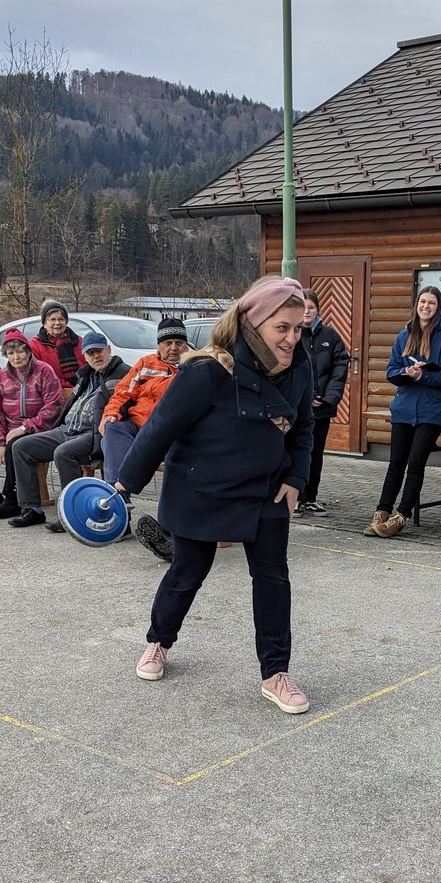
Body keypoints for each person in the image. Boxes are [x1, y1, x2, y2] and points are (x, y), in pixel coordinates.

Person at [116, 276, 314, 713]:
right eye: (282, 328)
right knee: (188, 571)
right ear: (254, 323)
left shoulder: (300, 366)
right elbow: (160, 429)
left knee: (273, 579)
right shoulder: (207, 370)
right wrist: (124, 484)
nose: (292, 338)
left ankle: (276, 673)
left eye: (298, 328)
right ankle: (158, 641)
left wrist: (296, 478)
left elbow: (304, 427)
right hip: (201, 487)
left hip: (266, 489)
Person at [5, 332, 130, 528]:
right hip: (67, 429)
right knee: (21, 447)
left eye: (99, 351)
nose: (96, 356)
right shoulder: (85, 375)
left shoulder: (123, 373)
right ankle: (32, 510)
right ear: (84, 356)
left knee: (63, 453)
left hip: (93, 434)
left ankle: (71, 515)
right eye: (90, 353)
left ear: (108, 350)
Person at [364, 286, 441, 539]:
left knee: (415, 463)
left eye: (431, 303)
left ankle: (401, 516)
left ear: (438, 308)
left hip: (432, 411)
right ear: (416, 304)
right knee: (396, 463)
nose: (426, 306)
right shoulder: (404, 334)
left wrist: (422, 376)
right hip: (404, 408)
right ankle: (382, 512)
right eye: (422, 301)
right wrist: (406, 373)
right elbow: (391, 370)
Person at [0, 329, 63, 517]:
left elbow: (53, 407)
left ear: (28, 352)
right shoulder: (0, 377)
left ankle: (12, 498)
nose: (16, 357)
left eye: (20, 351)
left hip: (38, 427)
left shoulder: (44, 371)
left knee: (15, 445)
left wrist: (25, 427)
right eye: (11, 353)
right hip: (9, 426)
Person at [98, 316, 189, 508]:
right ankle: (119, 493)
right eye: (168, 343)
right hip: (138, 425)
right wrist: (111, 414)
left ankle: (119, 496)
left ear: (186, 345)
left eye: (179, 343)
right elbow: (122, 393)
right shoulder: (145, 363)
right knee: (113, 429)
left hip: (169, 431)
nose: (174, 348)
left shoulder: (194, 366)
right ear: (159, 346)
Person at [298, 288, 348, 514]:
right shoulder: (292, 335)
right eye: (303, 307)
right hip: (298, 408)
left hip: (321, 409)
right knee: (297, 451)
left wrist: (329, 399)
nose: (307, 311)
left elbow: (340, 368)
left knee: (315, 454)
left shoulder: (331, 336)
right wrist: (305, 396)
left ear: (318, 310)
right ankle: (295, 497)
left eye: (311, 307)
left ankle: (310, 497)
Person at [29, 300, 84, 392]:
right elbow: (38, 376)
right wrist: (69, 389)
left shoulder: (79, 341)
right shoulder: (35, 346)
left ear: (66, 322)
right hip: (53, 393)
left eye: (61, 319)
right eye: (52, 319)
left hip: (84, 390)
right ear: (44, 324)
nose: (57, 323)